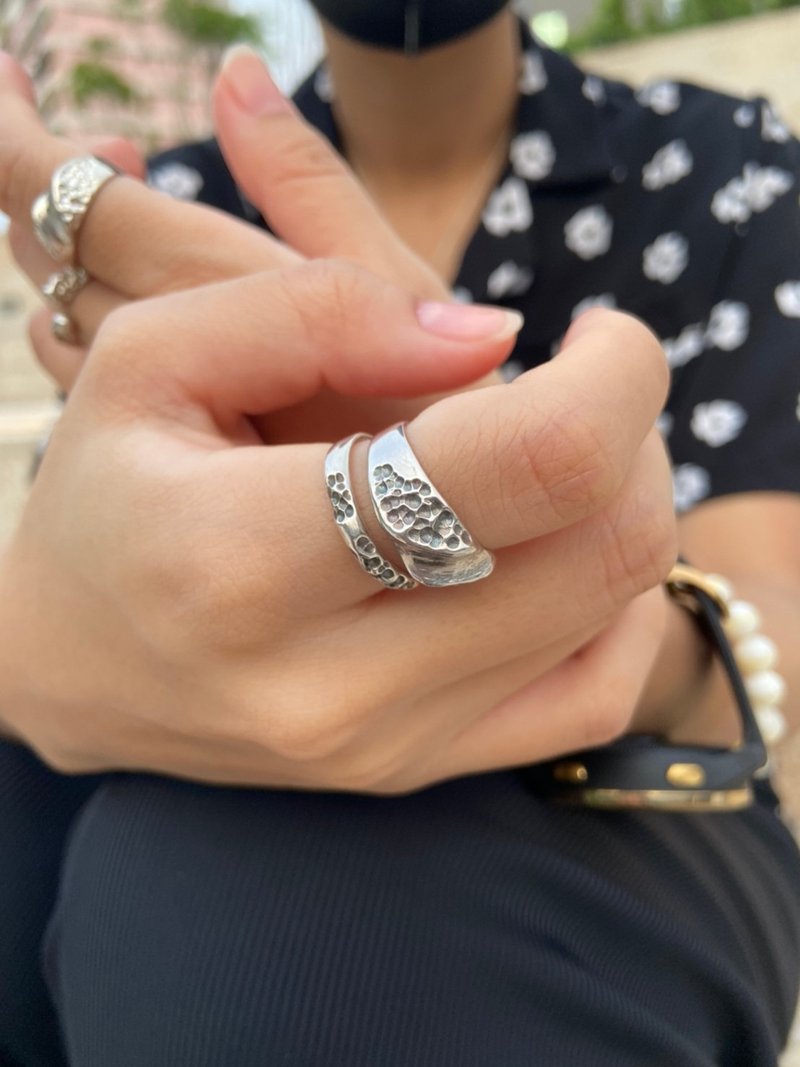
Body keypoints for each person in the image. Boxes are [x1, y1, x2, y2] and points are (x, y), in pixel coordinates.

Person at [0, 1, 799, 1063]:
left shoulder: (712, 162)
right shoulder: (181, 190)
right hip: (172, 742)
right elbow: (106, 581)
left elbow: (768, 627)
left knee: (233, 890)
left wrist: (589, 587)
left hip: (627, 778)